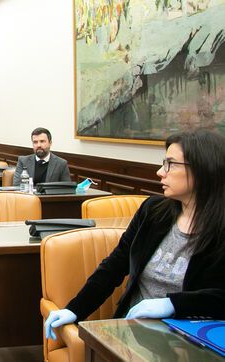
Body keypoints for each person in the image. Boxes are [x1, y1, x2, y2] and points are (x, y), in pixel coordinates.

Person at [44, 129, 225, 341]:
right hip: (132, 332)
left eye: (171, 164)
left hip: (190, 341)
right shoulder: (153, 211)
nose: (160, 172)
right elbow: (113, 266)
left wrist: (174, 304)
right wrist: (74, 309)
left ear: (203, 171)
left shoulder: (219, 229)